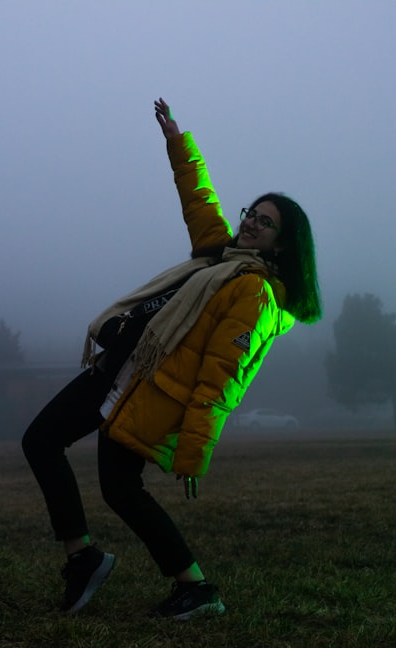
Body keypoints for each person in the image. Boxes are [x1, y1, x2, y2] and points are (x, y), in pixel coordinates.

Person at [21, 97, 322, 620]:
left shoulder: (253, 293)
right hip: (118, 367)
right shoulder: (219, 255)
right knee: (54, 449)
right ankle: (99, 561)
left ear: (282, 246)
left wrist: (194, 450)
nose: (250, 222)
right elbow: (200, 201)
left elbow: (222, 375)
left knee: (110, 482)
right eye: (252, 212)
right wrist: (177, 143)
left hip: (145, 387)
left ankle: (186, 586)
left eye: (265, 222)